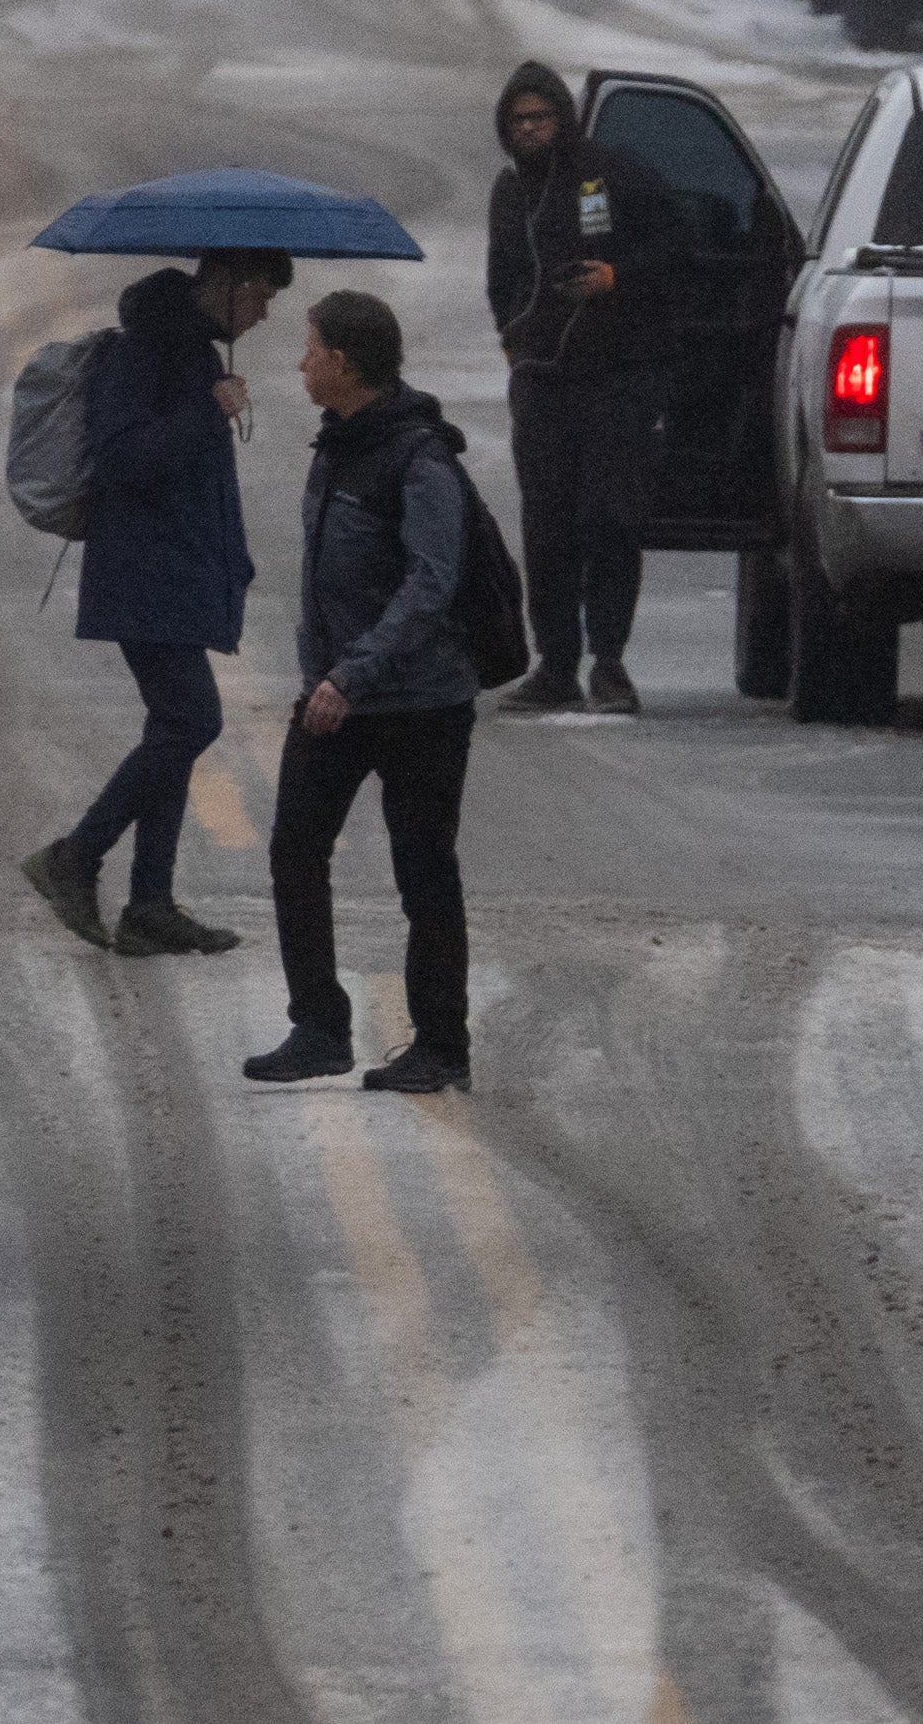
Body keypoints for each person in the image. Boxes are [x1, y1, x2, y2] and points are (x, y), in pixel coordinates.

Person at [242, 290, 483, 1093]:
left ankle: (441, 1045)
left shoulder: (418, 458)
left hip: (418, 703)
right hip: (334, 697)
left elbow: (431, 583)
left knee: (423, 870)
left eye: (309, 348)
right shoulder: (335, 445)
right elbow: (322, 583)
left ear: (342, 362)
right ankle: (318, 1027)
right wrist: (321, 677)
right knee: (293, 850)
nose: (300, 361)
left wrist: (352, 673)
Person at [22, 246, 293, 957]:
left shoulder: (189, 349)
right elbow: (122, 459)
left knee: (171, 728)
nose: (264, 314)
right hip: (145, 571)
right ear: (227, 283)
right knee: (190, 720)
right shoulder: (145, 349)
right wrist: (208, 412)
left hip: (177, 570)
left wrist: (230, 561)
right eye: (260, 296)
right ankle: (76, 856)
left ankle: (149, 902)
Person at [485, 61, 676, 715]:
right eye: (518, 121)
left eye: (540, 117)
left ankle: (610, 663)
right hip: (542, 384)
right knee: (547, 527)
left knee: (611, 521)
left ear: (561, 119)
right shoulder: (509, 193)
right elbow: (500, 277)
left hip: (618, 378)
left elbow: (675, 247)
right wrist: (513, 342)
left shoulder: (606, 173)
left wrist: (615, 277)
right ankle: (556, 663)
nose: (530, 129)